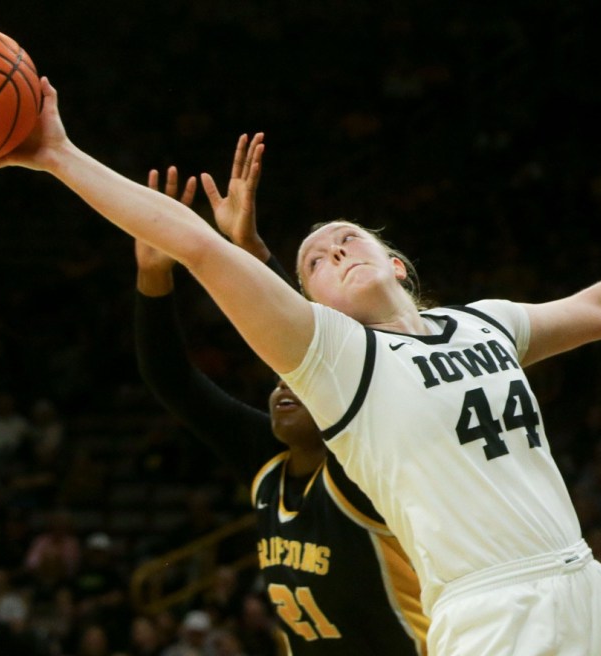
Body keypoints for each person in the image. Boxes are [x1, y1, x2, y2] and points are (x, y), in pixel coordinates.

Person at [0, 76, 601, 655]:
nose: (334, 249)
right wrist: (57, 154)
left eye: (347, 239)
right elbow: (195, 246)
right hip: (488, 612)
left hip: (586, 579)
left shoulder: (482, 321)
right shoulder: (340, 362)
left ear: (397, 262)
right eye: (313, 261)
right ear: (312, 305)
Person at [133, 138, 428, 654]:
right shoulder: (267, 464)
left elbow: (314, 348)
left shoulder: (363, 463)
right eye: (277, 382)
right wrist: (153, 276)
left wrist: (251, 252)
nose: (282, 388)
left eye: (299, 382)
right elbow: (174, 382)